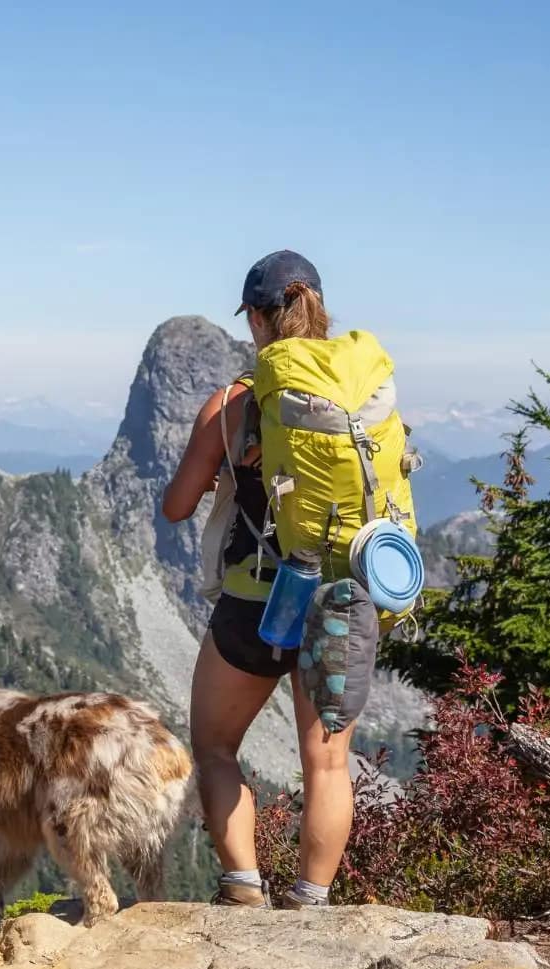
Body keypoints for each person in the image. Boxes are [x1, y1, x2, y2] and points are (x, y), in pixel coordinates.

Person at [162, 250, 415, 909]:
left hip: (255, 599)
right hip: (339, 599)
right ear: (319, 308)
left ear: (256, 319)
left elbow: (177, 505)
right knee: (326, 763)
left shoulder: (233, 403)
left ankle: (243, 883)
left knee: (214, 745)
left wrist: (228, 464)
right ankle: (310, 900)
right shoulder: (363, 398)